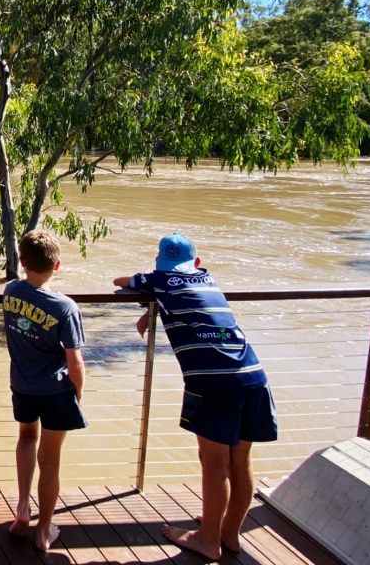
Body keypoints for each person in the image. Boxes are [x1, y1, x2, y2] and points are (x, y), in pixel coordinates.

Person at [114, 232, 278, 560]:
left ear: (159, 262)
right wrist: (156, 309)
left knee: (213, 463)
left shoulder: (157, 279)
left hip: (214, 383)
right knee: (239, 460)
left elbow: (121, 280)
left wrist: (152, 294)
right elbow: (194, 305)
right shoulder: (207, 278)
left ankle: (207, 539)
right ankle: (228, 533)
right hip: (253, 376)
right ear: (197, 263)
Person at [2, 230, 86, 550]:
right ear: (58, 265)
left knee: (26, 438)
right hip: (55, 391)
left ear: (22, 262)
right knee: (50, 460)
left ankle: (22, 509)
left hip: (22, 385)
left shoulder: (10, 292)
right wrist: (78, 393)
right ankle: (44, 530)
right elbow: (75, 363)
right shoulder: (65, 307)